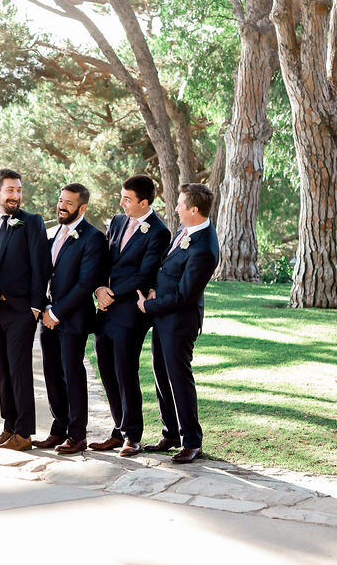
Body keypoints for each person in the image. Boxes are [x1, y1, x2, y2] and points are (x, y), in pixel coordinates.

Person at [137, 183, 219, 463]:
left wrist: (148, 305)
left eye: (180, 204)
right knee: (161, 374)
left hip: (180, 321)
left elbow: (185, 295)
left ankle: (191, 441)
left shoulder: (205, 247)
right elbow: (166, 268)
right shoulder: (185, 231)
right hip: (164, 316)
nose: (175, 208)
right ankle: (170, 432)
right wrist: (153, 290)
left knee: (179, 379)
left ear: (194, 210)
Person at [0, 169, 51, 451]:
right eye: (10, 191)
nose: (15, 196)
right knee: (2, 371)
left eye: (18, 190)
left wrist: (35, 306)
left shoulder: (32, 222)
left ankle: (25, 432)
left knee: (19, 370)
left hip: (21, 311)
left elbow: (41, 265)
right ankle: (9, 426)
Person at [91, 174, 171, 457]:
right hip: (105, 308)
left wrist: (111, 293)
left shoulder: (159, 232)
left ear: (144, 202)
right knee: (106, 369)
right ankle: (118, 428)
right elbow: (104, 259)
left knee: (125, 370)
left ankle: (132, 436)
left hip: (131, 311)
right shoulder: (117, 221)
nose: (121, 202)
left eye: (127, 199)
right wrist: (99, 287)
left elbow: (145, 273)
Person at [36, 183, 107, 455]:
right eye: (61, 200)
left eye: (68, 203)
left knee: (72, 374)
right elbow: (43, 274)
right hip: (48, 317)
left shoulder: (93, 238)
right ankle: (59, 429)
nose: (62, 206)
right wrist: (44, 308)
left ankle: (77, 435)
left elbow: (86, 283)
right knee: (52, 375)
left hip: (73, 318)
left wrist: (56, 312)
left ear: (82, 207)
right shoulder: (52, 234)